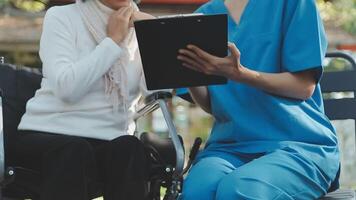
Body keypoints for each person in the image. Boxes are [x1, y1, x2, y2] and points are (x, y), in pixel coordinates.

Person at [176, 0, 339, 199]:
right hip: (230, 147)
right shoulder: (203, 16)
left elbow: (304, 87)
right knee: (196, 193)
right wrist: (190, 72)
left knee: (239, 190)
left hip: (298, 145)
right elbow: (212, 104)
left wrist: (242, 74)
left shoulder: (294, 3)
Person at [8, 0, 155, 199]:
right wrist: (112, 42)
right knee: (74, 150)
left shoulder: (141, 25)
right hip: (49, 133)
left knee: (130, 148)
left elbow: (154, 93)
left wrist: (154, 35)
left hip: (109, 139)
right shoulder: (61, 16)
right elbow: (67, 89)